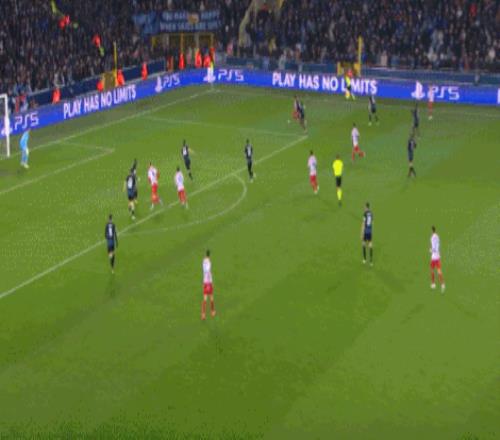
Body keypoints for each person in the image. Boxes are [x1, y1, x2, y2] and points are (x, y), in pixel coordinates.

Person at [201, 249, 216, 320]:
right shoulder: (209, 262)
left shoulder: (203, 261)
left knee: (205, 298)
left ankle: (203, 314)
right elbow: (208, 271)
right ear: (210, 255)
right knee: (211, 297)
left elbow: (205, 270)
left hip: (204, 281)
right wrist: (210, 282)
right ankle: (212, 312)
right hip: (208, 282)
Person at [430, 226, 445, 292]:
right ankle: (442, 284)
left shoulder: (432, 238)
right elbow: (437, 246)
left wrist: (431, 250)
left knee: (432, 270)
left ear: (431, 230)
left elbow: (434, 248)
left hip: (434, 258)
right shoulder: (438, 237)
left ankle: (433, 284)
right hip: (438, 257)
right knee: (439, 271)